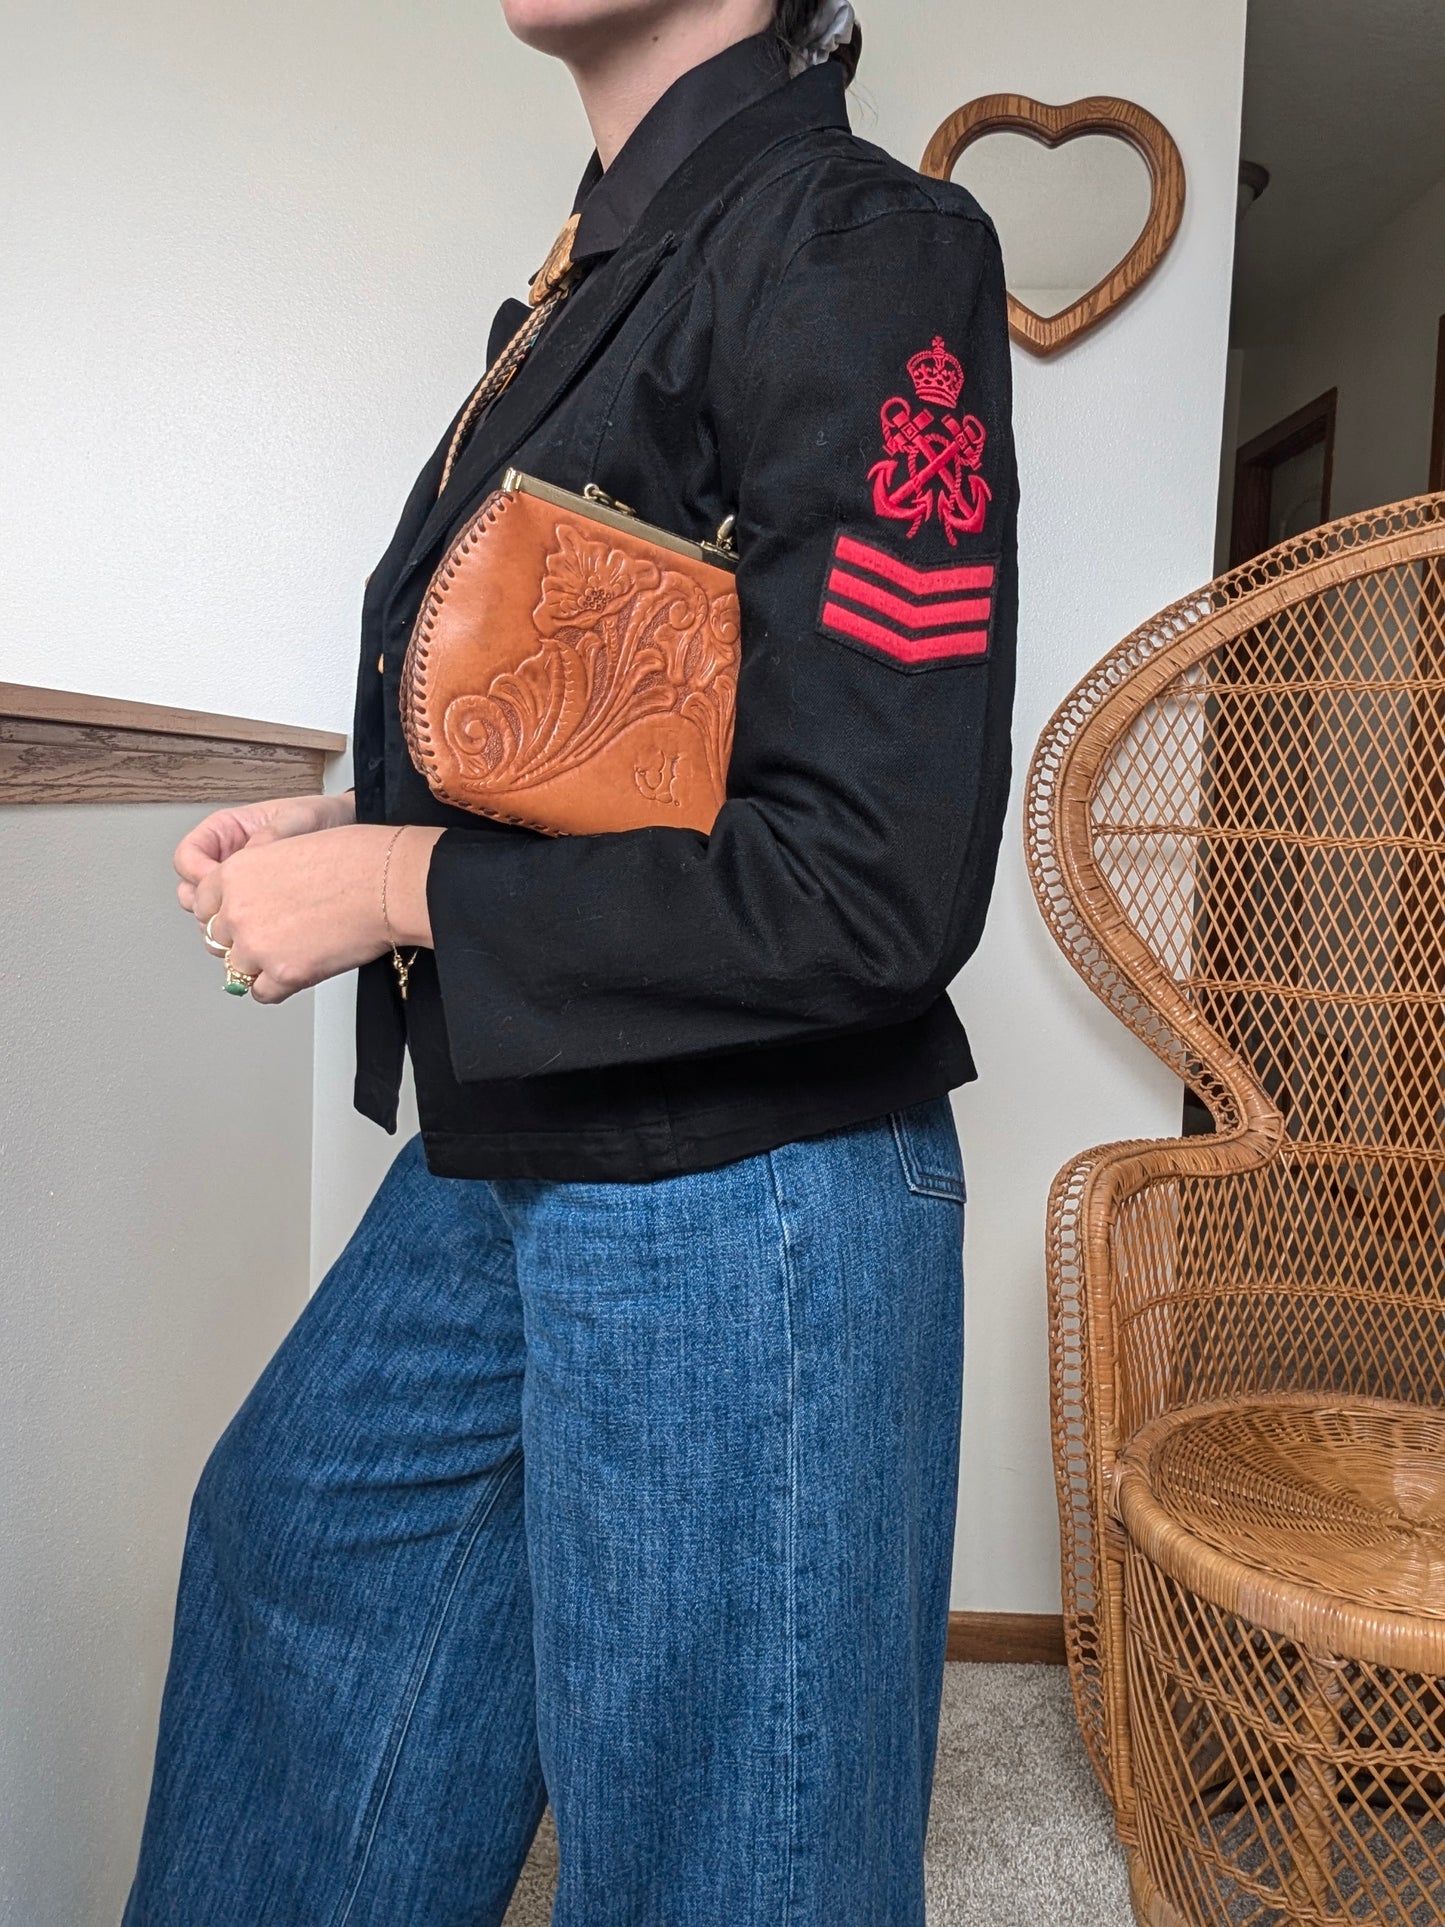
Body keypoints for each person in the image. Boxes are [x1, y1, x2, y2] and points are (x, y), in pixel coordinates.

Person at [123, 0, 1017, 1919]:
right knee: (299, 1559)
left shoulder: (856, 242)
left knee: (719, 1853)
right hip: (523, 1129)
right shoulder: (598, 265)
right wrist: (355, 824)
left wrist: (397, 890)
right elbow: (611, 717)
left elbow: (868, 877)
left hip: (750, 1185)